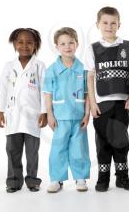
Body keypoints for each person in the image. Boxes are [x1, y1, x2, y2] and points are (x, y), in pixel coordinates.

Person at [85, 6, 129, 192]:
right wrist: (92, 103)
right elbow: (90, 77)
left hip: (121, 101)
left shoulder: (127, 46)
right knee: (102, 140)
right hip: (101, 102)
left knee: (121, 140)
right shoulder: (93, 49)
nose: (109, 26)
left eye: (113, 23)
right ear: (98, 25)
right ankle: (103, 178)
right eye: (105, 23)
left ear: (119, 24)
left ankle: (122, 177)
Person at [0, 28, 47, 193]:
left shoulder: (39, 66)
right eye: (20, 42)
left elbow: (45, 90)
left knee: (32, 152)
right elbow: (2, 89)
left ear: (35, 45)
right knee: (12, 150)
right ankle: (14, 181)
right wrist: (0, 111)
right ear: (15, 44)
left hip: (33, 116)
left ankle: (32, 180)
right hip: (13, 115)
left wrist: (44, 112)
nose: (24, 45)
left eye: (29, 42)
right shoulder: (9, 66)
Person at [43, 27, 91, 193]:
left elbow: (87, 94)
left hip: (78, 118)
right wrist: (49, 114)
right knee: (58, 148)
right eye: (63, 43)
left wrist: (87, 114)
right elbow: (47, 94)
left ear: (77, 44)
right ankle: (56, 179)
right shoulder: (51, 70)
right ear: (57, 46)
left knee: (79, 147)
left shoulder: (83, 70)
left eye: (71, 42)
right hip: (60, 117)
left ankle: (80, 177)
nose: (67, 46)